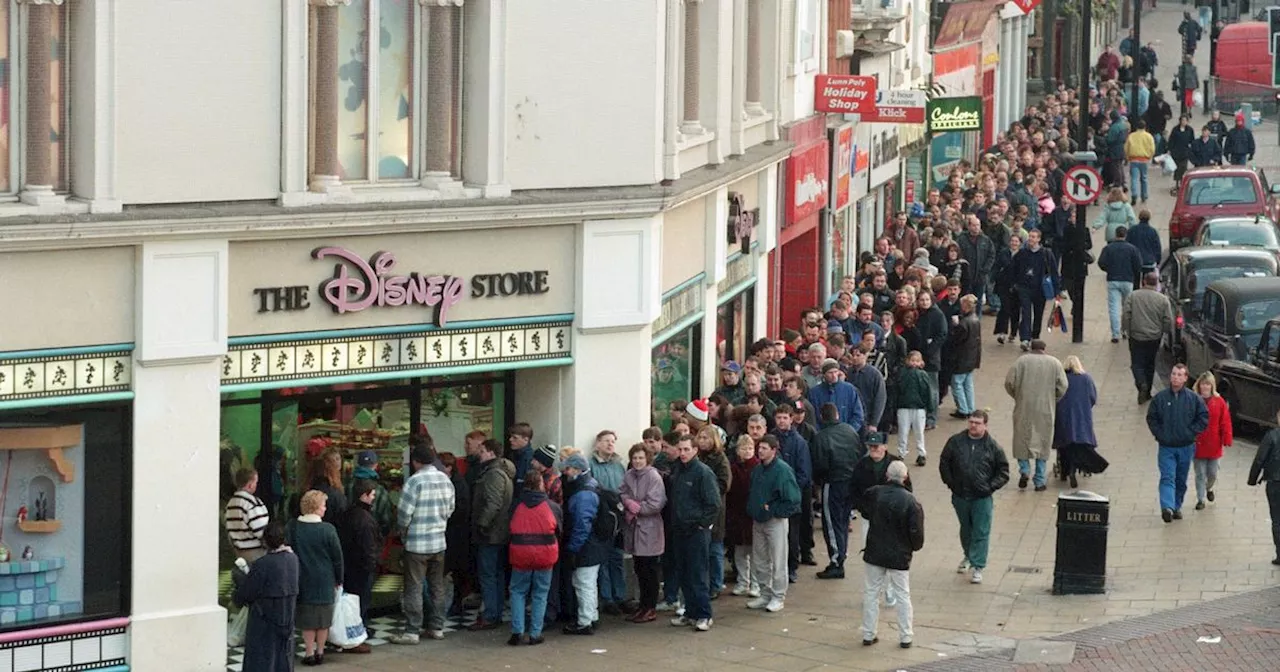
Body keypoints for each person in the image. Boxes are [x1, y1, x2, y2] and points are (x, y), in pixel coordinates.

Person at [389, 442, 455, 645]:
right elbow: (451, 508)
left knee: (414, 587)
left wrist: (402, 530)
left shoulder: (414, 481)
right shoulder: (445, 479)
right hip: (438, 540)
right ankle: (436, 627)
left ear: (416, 461)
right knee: (437, 586)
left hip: (417, 543)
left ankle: (412, 630)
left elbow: (404, 513)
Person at [939, 411, 1010, 585]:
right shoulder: (955, 442)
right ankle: (968, 555)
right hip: (961, 495)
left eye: (978, 423)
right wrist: (951, 483)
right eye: (971, 422)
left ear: (985, 425)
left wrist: (990, 487)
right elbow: (944, 463)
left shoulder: (993, 447)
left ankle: (978, 565)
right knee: (966, 528)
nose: (973, 425)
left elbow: (1003, 471)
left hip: (982, 497)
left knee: (981, 530)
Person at [860, 461, 923, 649]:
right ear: (905, 477)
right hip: (899, 553)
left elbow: (865, 512)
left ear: (887, 475)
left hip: (875, 550)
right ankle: (906, 636)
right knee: (903, 594)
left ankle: (868, 633)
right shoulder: (911, 501)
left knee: (871, 592)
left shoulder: (874, 493)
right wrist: (911, 547)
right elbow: (917, 533)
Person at [667, 434, 722, 632]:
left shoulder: (703, 473)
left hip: (696, 531)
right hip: (679, 529)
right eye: (680, 449)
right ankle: (690, 612)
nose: (682, 453)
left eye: (686, 449)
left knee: (698, 573)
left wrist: (702, 524)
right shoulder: (678, 471)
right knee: (684, 573)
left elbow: (714, 504)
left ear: (695, 450)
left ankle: (704, 614)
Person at [231, 521, 299, 672]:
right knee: (283, 657)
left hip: (264, 618)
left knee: (262, 659)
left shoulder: (263, 564)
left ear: (265, 541)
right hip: (286, 615)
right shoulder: (292, 559)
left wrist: (238, 588)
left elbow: (247, 592)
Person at [287, 490, 344, 666]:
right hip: (325, 578)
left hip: (303, 578)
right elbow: (337, 557)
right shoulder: (328, 529)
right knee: (323, 619)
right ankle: (320, 651)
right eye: (323, 505)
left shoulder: (293, 527)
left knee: (307, 620)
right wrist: (339, 579)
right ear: (317, 507)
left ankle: (309, 651)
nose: (325, 508)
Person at [1147, 364, 1210, 523]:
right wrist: (1160, 434)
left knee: (1180, 479)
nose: (1175, 377)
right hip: (1166, 447)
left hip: (1186, 446)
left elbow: (1203, 417)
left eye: (1179, 374)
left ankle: (1176, 506)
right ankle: (1167, 507)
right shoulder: (1160, 398)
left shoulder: (1193, 399)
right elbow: (1152, 418)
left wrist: (1191, 433)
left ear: (1185, 378)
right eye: (1173, 373)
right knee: (1168, 476)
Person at [745, 435, 801, 613]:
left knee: (778, 560)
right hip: (758, 519)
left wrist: (774, 510)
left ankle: (778, 596)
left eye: (764, 448)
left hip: (775, 521)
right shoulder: (757, 470)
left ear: (773, 450)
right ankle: (765, 593)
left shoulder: (782, 471)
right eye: (759, 447)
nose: (759, 451)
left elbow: (793, 499)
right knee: (760, 560)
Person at [1005, 340, 1069, 492]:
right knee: (1043, 442)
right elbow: (1063, 385)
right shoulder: (1054, 363)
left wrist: (1017, 395)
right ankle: (1039, 480)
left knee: (1021, 439)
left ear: (1031, 348)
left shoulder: (1021, 362)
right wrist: (1054, 398)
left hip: (1024, 407)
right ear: (1044, 349)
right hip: (1045, 408)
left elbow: (1009, 382)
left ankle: (1024, 470)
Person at [507, 470, 561, 646]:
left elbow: (509, 527)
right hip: (545, 555)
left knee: (517, 591)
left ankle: (517, 631)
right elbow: (560, 530)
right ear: (541, 484)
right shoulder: (552, 506)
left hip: (520, 553)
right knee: (540, 593)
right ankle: (535, 633)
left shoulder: (516, 505)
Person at [810, 402, 862, 580]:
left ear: (822, 417)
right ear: (837, 415)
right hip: (851, 482)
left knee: (831, 523)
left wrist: (819, 482)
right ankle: (841, 555)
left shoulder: (821, 437)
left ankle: (836, 561)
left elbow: (819, 464)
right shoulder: (850, 431)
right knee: (843, 520)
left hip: (832, 483)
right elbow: (859, 453)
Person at [469, 438, 515, 631]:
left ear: (490, 452)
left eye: (482, 450)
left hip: (491, 534)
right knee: (495, 573)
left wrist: (482, 524)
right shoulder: (501, 472)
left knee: (489, 574)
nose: (479, 453)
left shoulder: (494, 474)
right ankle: (493, 612)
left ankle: (490, 614)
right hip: (498, 532)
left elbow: (493, 503)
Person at [560, 452, 608, 635]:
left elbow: (581, 526)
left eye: (569, 468)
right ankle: (591, 616)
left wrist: (572, 549)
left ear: (578, 469)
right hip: (594, 544)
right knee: (589, 583)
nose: (566, 472)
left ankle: (584, 621)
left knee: (583, 583)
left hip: (586, 546)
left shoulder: (582, 494)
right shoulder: (591, 486)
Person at [619, 443, 667, 623]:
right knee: (639, 568)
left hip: (649, 528)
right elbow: (622, 492)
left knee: (650, 570)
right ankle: (642, 606)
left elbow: (657, 503)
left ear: (647, 459)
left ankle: (650, 607)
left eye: (641, 458)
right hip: (633, 527)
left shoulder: (654, 476)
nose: (637, 461)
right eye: (634, 458)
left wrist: (637, 508)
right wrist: (627, 503)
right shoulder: (629, 475)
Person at [771, 404, 814, 580]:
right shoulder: (770, 439)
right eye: (779, 417)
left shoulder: (799, 443)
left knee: (792, 534)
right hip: (772, 495)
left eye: (785, 418)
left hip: (792, 496)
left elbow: (804, 473)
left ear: (791, 419)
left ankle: (791, 567)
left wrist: (789, 490)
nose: (781, 421)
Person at [588, 430, 629, 615]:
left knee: (617, 558)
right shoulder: (591, 465)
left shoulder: (619, 465)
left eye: (613, 441)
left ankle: (621, 596)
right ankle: (608, 598)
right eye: (606, 441)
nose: (610, 444)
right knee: (603, 560)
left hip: (619, 519)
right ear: (597, 444)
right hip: (602, 518)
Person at [336, 479, 379, 653]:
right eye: (373, 495)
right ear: (364, 495)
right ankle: (357, 636)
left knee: (352, 602)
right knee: (361, 602)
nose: (374, 498)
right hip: (361, 566)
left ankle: (352, 633)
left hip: (349, 564)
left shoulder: (347, 514)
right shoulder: (365, 519)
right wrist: (372, 564)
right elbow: (368, 547)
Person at [1123, 273, 1174, 404]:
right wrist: (1163, 331)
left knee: (1137, 363)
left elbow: (1126, 314)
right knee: (1150, 364)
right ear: (1156, 283)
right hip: (1154, 337)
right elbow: (1168, 319)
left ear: (1143, 281)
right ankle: (1148, 392)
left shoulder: (1133, 296)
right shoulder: (1163, 299)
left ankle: (1141, 384)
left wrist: (1127, 329)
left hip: (1136, 336)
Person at [1052, 356, 1100, 489]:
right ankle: (1076, 468)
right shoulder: (1086, 378)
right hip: (1081, 416)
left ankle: (1065, 470)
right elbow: (1092, 397)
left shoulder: (1060, 379)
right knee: (1079, 441)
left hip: (1063, 415)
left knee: (1064, 442)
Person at [1011, 229, 1058, 349]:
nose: (1030, 239)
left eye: (1033, 237)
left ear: (1038, 239)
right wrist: (1015, 284)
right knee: (1026, 313)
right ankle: (1025, 339)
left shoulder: (1046, 253)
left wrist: (1057, 290)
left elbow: (1053, 272)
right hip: (1024, 287)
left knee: (1038, 314)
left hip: (1040, 289)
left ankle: (1035, 336)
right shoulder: (1022, 253)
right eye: (1030, 236)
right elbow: (1014, 268)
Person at [1193, 372, 1233, 510]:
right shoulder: (1193, 400)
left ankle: (1209, 488)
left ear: (1212, 386)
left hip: (1214, 444)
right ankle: (1200, 499)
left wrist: (1227, 438)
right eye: (1203, 384)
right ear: (1199, 385)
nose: (1205, 387)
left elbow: (1225, 421)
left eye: (1208, 384)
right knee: (1200, 473)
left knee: (1213, 473)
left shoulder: (1219, 401)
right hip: (1198, 443)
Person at [726, 435, 760, 597]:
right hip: (737, 514)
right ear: (738, 450)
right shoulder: (733, 468)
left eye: (750, 448)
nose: (747, 451)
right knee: (739, 552)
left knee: (755, 554)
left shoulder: (758, 467)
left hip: (752, 515)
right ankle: (742, 581)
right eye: (743, 448)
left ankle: (755, 583)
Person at [1097, 225, 1144, 343]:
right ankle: (1126, 331)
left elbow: (1101, 263)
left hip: (1113, 279)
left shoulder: (1108, 248)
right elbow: (1138, 265)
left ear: (1115, 234)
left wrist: (1109, 269)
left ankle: (1115, 334)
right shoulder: (1132, 249)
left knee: (1113, 307)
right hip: (1128, 280)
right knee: (1127, 307)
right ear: (1125, 235)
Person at [1246, 414, 1280, 565]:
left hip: (1274, 482)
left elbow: (1260, 458)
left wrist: (1252, 479)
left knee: (1277, 519)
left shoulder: (1271, 436)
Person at [896, 351, 935, 467]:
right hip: (908, 407)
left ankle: (920, 453)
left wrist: (929, 406)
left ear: (921, 362)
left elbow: (928, 392)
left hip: (916, 407)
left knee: (918, 432)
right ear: (907, 361)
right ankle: (902, 453)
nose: (914, 363)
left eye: (917, 361)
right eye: (912, 360)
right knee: (904, 432)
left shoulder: (907, 374)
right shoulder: (906, 373)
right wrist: (930, 407)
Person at [225, 468, 271, 564]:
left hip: (239, 553)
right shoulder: (252, 503)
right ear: (250, 484)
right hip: (257, 554)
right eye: (256, 482)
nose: (256, 486)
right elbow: (262, 532)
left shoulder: (230, 503)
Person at [948, 295, 982, 419]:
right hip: (971, 358)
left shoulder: (963, 324)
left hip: (961, 358)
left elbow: (956, 340)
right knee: (968, 384)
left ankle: (962, 409)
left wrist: (955, 327)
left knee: (957, 384)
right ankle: (970, 407)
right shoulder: (975, 319)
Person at [808, 359, 864, 430]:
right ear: (824, 374)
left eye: (836, 372)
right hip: (824, 435)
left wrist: (850, 431)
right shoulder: (814, 393)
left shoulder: (850, 389)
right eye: (830, 373)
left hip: (846, 434)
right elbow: (812, 417)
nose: (834, 375)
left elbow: (858, 414)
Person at [992, 234, 1023, 344]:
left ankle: (1013, 333)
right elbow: (997, 266)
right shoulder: (1003, 253)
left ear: (1020, 243)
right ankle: (1002, 332)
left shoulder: (1022, 255)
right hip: (1004, 285)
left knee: (1015, 310)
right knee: (1005, 308)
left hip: (1017, 287)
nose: (1014, 243)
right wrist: (994, 278)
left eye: (1016, 241)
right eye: (1012, 241)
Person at [1124, 120, 1155, 205]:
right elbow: (1152, 149)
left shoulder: (1131, 136)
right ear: (1145, 127)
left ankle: (1134, 194)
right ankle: (1144, 195)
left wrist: (1127, 157)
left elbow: (1126, 148)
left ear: (1136, 127)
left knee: (1134, 178)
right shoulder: (1149, 136)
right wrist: (1149, 156)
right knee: (1144, 178)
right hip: (1144, 159)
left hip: (1133, 159)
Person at [1167, 115, 1195, 184]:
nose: (1183, 122)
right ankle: (1177, 183)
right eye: (1182, 120)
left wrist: (1191, 148)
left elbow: (1192, 140)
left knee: (1183, 168)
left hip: (1185, 152)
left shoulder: (1190, 130)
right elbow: (1171, 140)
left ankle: (1182, 183)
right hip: (1176, 152)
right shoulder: (1175, 129)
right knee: (1177, 168)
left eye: (1185, 120)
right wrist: (1169, 149)